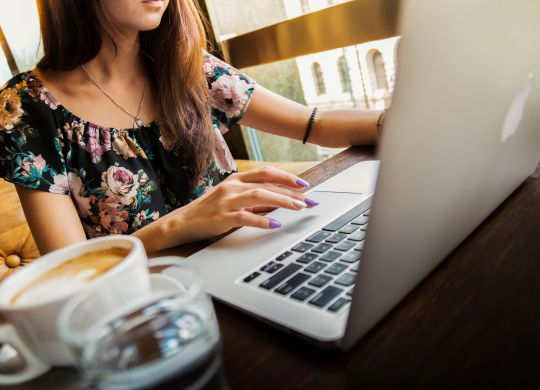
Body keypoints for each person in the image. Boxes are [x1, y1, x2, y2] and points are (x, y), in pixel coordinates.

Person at [0, 0, 382, 256]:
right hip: (148, 311)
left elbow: (313, 123)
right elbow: (71, 268)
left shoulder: (186, 65)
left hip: (247, 259)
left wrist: (398, 120)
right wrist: (181, 224)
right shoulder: (25, 109)